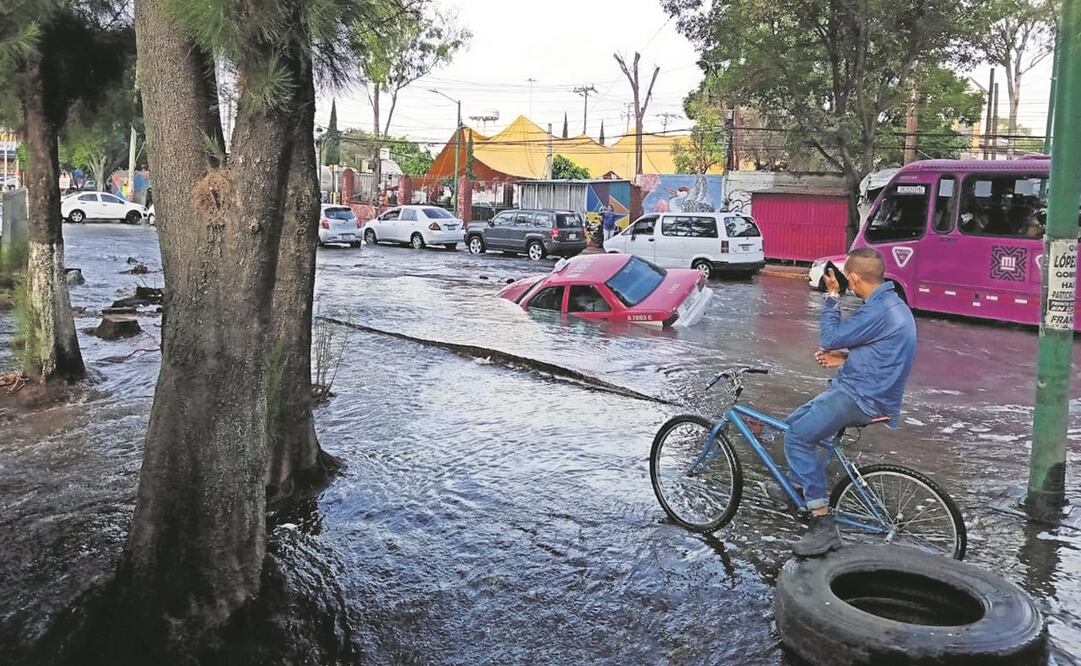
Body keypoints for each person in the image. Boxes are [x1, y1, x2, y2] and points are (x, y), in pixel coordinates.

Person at [776, 248, 917, 557]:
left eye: (846, 280)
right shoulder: (891, 303)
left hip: (862, 397)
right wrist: (845, 357)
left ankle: (822, 523)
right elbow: (885, 352)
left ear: (852, 278)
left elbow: (829, 336)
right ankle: (796, 486)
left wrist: (831, 297)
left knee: (798, 437)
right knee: (795, 421)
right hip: (868, 389)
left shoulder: (877, 311)